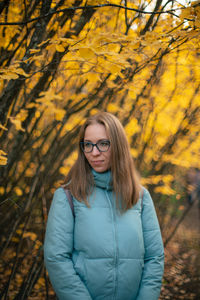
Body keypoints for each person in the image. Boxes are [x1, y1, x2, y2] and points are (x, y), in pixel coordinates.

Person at [44, 112, 164, 300]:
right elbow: (56, 258)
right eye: (88, 145)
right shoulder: (68, 196)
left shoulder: (140, 196)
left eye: (103, 143)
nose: (94, 152)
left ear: (118, 146)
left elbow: (154, 258)